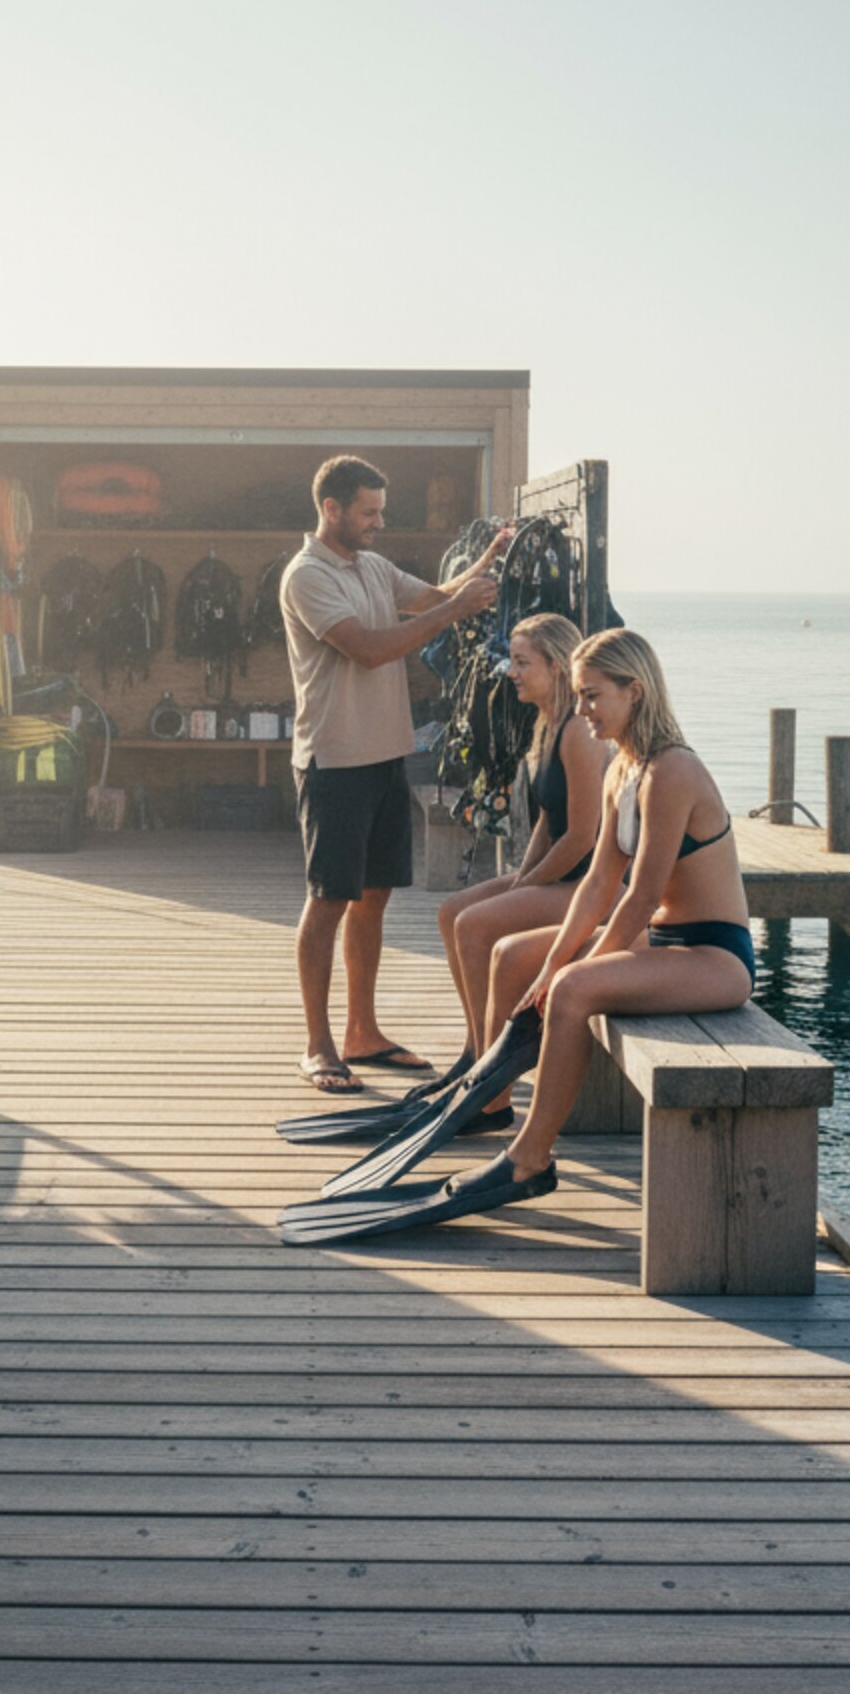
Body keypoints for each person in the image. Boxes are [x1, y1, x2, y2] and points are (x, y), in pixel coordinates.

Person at [455, 626, 756, 1196]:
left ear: (634, 691)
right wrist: (550, 965)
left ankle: (529, 1160)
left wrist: (572, 971)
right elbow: (599, 884)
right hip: (664, 944)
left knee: (571, 992)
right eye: (578, 694)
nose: (582, 708)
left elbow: (641, 895)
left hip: (714, 954)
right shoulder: (623, 767)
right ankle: (487, 1099)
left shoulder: (672, 771)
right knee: (513, 955)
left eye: (592, 695)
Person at [282, 455, 509, 1093]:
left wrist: (488, 560)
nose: (380, 522)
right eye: (369, 512)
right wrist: (455, 610)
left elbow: (435, 597)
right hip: (334, 760)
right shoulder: (306, 576)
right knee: (328, 901)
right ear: (332, 509)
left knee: (374, 896)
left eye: (380, 510)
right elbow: (372, 647)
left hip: (386, 755)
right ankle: (318, 1043)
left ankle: (362, 1031)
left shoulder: (372, 565)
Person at [434, 612, 609, 1128]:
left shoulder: (579, 732)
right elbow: (548, 818)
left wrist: (527, 885)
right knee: (452, 912)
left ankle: (492, 1093)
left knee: (476, 923)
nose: (510, 672)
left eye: (521, 662)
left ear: (556, 667)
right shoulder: (547, 724)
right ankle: (476, 1053)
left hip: (590, 885)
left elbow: (583, 836)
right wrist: (520, 876)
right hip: (559, 874)